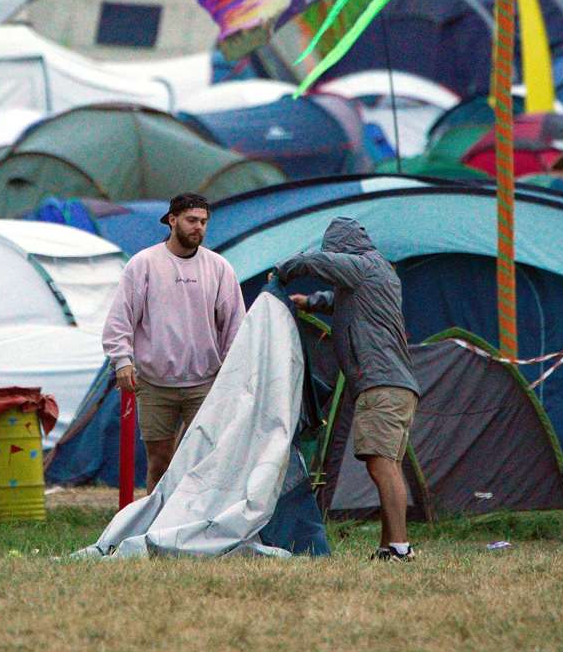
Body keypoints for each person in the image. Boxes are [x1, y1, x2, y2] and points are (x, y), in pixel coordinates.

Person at [274, 217, 418, 562]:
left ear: (343, 250)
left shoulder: (363, 266)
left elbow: (319, 263)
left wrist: (285, 269)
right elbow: (341, 298)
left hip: (380, 383)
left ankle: (400, 548)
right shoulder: (378, 272)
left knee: (381, 465)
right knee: (386, 466)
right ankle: (389, 546)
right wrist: (311, 303)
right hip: (394, 384)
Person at [101, 192, 246, 492]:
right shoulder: (144, 264)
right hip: (154, 382)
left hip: (205, 382)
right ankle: (153, 523)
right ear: (172, 220)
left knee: (203, 460)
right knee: (160, 459)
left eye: (204, 222)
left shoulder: (219, 268)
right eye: (192, 220)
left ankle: (196, 525)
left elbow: (235, 324)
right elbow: (121, 317)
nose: (199, 228)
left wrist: (232, 372)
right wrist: (122, 361)